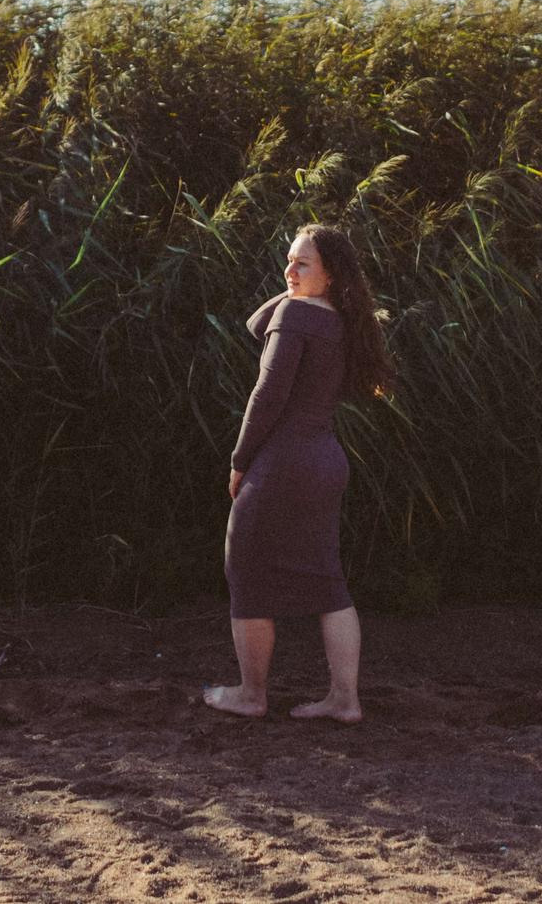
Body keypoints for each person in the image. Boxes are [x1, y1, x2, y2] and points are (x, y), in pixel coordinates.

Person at [203, 222, 395, 723]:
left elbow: (266, 396)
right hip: (326, 461)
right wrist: (300, 284)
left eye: (302, 263)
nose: (288, 270)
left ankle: (251, 695)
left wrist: (239, 460)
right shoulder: (342, 321)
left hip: (283, 461)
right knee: (328, 582)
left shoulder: (296, 316)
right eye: (288, 260)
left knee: (245, 568)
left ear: (331, 274)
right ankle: (345, 700)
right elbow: (256, 323)